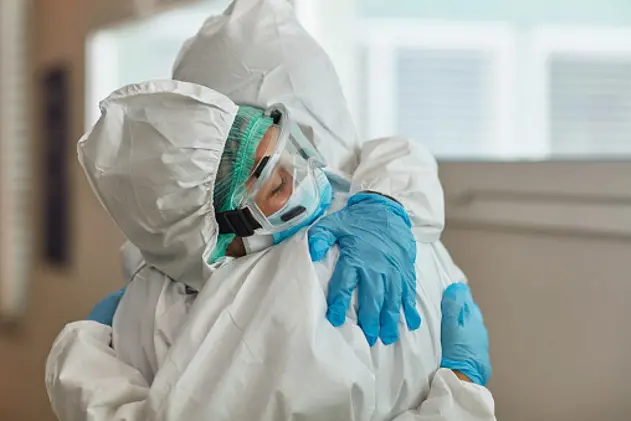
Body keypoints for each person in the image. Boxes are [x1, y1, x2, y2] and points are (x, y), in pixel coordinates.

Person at [46, 80, 495, 421]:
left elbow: (398, 152)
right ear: (221, 236)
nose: (308, 174)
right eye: (277, 182)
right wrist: (460, 391)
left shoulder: (343, 219)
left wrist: (79, 351)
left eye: (293, 150)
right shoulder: (271, 316)